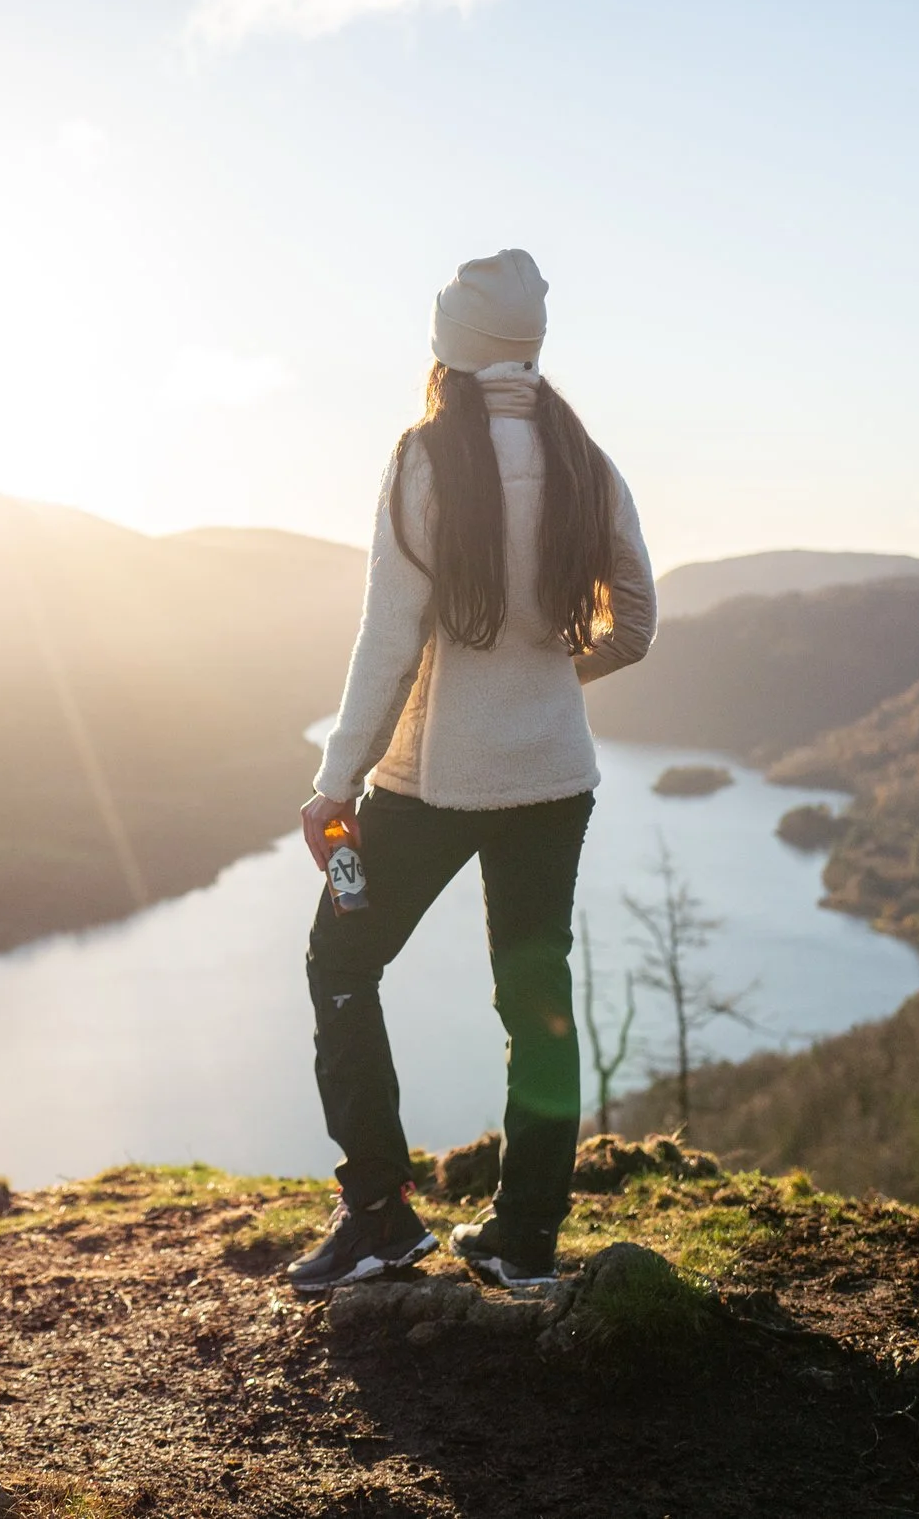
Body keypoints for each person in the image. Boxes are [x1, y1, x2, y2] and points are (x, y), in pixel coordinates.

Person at [286, 248, 656, 1295]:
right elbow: (636, 623)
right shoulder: (584, 456)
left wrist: (333, 782)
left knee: (342, 967)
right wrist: (550, 679)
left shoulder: (424, 459)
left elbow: (389, 641)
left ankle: (378, 1217)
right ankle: (524, 1238)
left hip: (431, 780)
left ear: (447, 346)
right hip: (555, 777)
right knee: (535, 999)